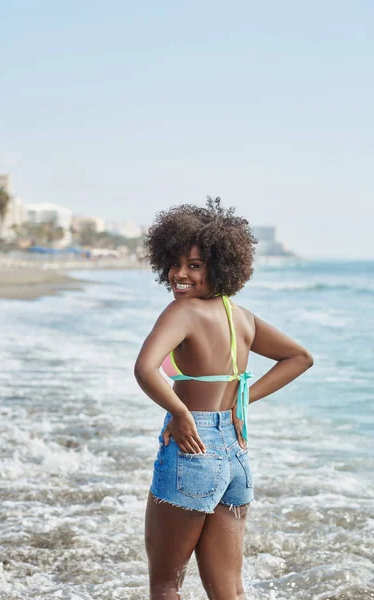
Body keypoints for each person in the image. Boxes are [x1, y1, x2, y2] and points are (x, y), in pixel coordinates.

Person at [134, 198, 313, 600]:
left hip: (193, 448)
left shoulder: (182, 312)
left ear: (221, 266)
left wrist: (179, 412)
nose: (180, 274)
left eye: (194, 265)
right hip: (234, 456)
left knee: (165, 584)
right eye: (175, 263)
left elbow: (145, 369)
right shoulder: (241, 316)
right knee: (229, 591)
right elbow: (300, 357)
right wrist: (239, 404)